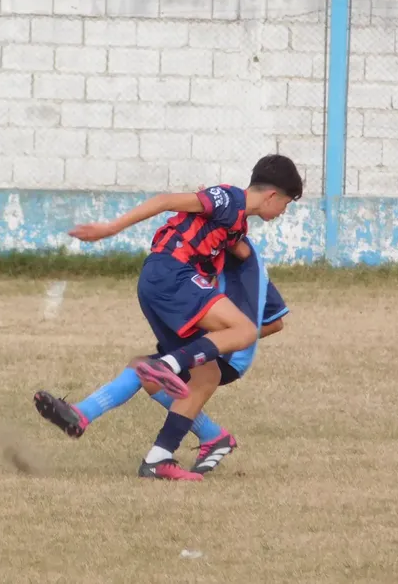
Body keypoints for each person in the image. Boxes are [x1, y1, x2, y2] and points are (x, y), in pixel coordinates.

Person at [36, 154, 302, 480]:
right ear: (273, 196)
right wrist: (110, 228)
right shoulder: (228, 199)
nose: (283, 213)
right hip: (172, 274)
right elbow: (166, 201)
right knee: (241, 332)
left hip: (160, 284)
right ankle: (172, 367)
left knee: (176, 373)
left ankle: (141, 446)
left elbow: (245, 257)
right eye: (287, 205)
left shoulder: (236, 230)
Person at [35, 240, 290, 476]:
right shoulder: (249, 262)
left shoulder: (233, 253)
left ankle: (91, 419)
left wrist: (227, 337)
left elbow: (272, 324)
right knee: (146, 371)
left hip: (224, 357)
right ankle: (213, 436)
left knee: (151, 370)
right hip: (210, 348)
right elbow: (275, 321)